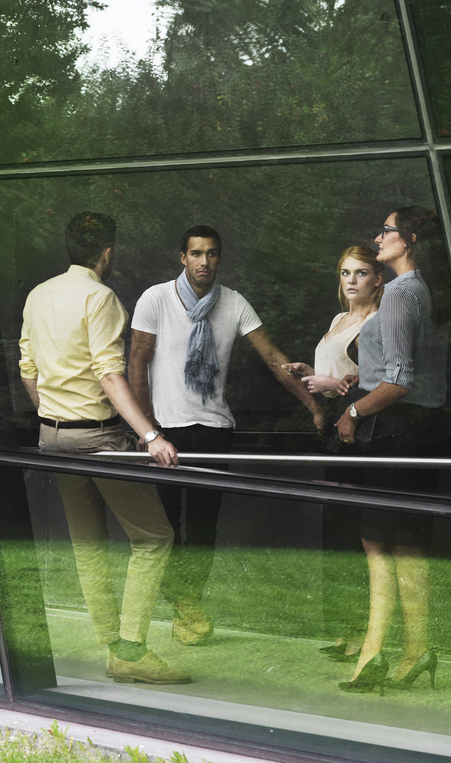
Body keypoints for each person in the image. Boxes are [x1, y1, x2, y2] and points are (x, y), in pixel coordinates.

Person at [128, 225, 324, 646]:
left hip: (214, 430)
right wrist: (148, 429)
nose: (204, 262)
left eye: (212, 254)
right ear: (183, 257)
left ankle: (188, 603)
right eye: (196, 254)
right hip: (165, 431)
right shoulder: (155, 298)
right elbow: (136, 364)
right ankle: (178, 602)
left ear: (220, 258)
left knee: (203, 527)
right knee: (165, 528)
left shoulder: (233, 303)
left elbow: (273, 359)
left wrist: (311, 405)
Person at [19, 211, 189, 685]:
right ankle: (131, 649)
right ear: (107, 252)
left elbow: (28, 370)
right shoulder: (100, 297)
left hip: (52, 437)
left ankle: (114, 649)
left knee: (88, 545)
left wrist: (53, 417)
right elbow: (109, 373)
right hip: (98, 438)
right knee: (154, 537)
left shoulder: (39, 295)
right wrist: (151, 435)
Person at [289, 207, 451, 693]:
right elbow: (406, 367)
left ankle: (388, 651)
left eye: (387, 230)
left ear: (411, 239)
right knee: (393, 542)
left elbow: (401, 380)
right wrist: (362, 377)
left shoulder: (401, 292)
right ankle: (392, 650)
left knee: (384, 541)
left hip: (397, 429)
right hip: (416, 429)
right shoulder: (421, 291)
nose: (378, 237)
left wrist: (353, 413)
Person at [284, 245, 386, 663]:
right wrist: (311, 376)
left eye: (361, 273)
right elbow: (336, 377)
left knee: (354, 535)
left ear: (378, 279)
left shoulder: (378, 323)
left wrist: (333, 384)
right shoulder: (338, 319)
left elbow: (373, 381)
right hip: (332, 435)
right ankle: (346, 631)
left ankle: (364, 635)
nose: (351, 281)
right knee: (336, 535)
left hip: (356, 436)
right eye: (345, 272)